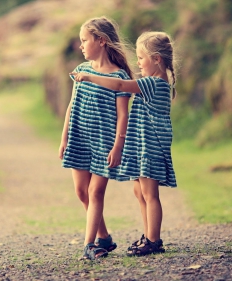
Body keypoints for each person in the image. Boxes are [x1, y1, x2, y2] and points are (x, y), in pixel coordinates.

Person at [71, 31, 178, 256]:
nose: (137, 63)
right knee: (140, 192)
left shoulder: (153, 83)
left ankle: (153, 240)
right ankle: (148, 235)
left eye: (141, 58)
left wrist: (90, 77)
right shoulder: (157, 82)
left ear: (156, 59)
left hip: (150, 147)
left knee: (150, 195)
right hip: (143, 147)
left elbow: (120, 85)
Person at [59, 16, 133, 260]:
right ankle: (104, 238)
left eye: (84, 40)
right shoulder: (80, 71)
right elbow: (71, 105)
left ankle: (89, 245)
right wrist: (64, 137)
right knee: (82, 192)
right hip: (80, 138)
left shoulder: (120, 77)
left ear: (101, 41)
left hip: (104, 143)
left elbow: (123, 116)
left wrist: (118, 146)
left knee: (95, 192)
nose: (80, 46)